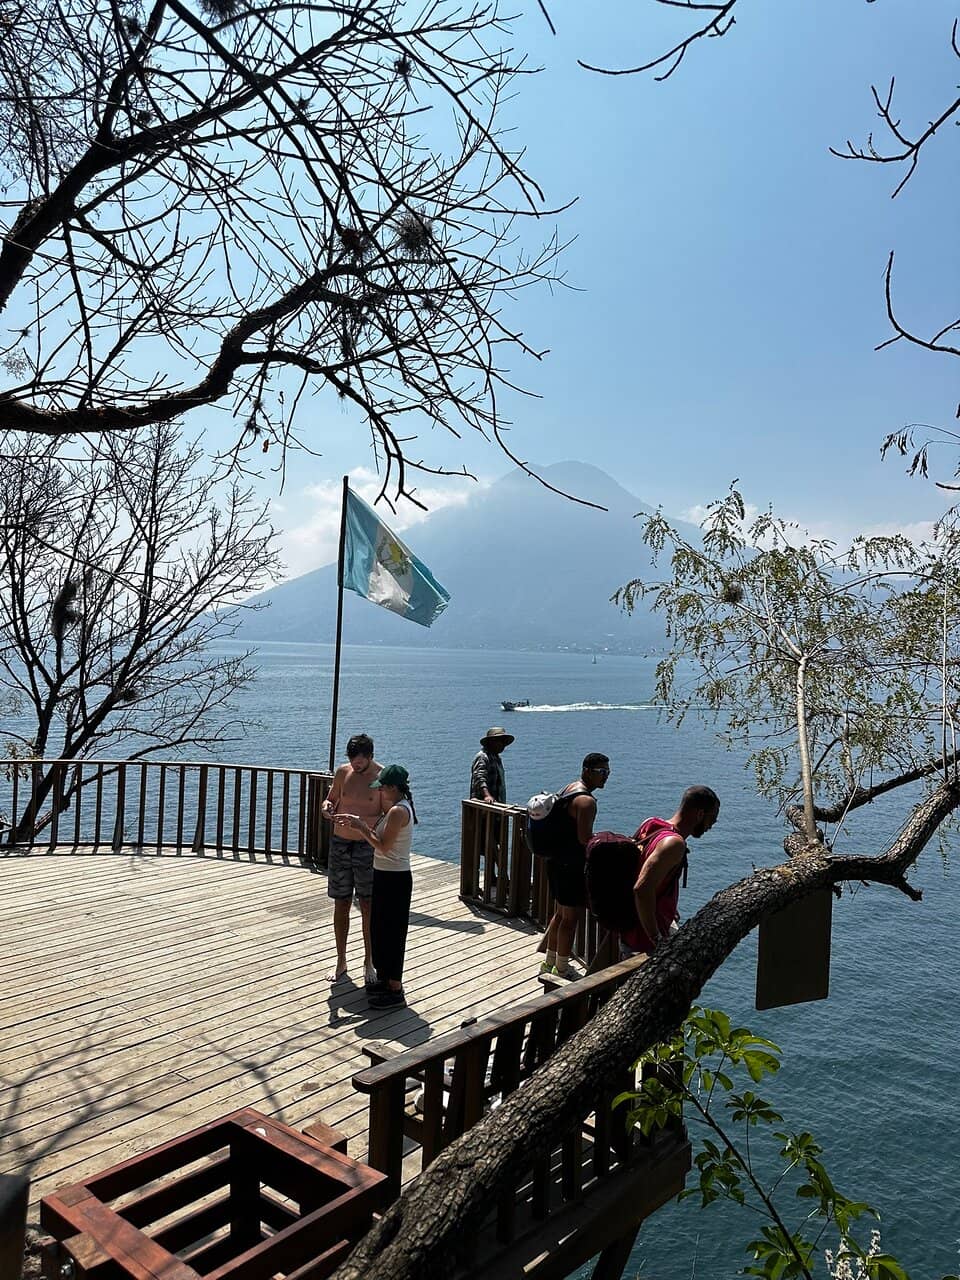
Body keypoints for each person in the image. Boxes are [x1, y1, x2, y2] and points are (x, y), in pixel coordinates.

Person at [335, 764, 417, 1009]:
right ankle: (383, 979)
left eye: (382, 787)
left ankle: (395, 987)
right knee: (380, 929)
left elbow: (383, 846)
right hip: (384, 875)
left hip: (396, 879)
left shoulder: (398, 812)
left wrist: (361, 828)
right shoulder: (394, 809)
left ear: (393, 787)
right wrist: (361, 824)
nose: (379, 791)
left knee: (393, 933)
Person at [623, 785, 720, 955]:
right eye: (712, 818)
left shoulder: (651, 824)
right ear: (699, 814)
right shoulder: (674, 844)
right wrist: (656, 939)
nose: (711, 825)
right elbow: (642, 889)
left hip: (629, 926)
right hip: (643, 942)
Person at [540, 752, 610, 979]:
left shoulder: (570, 788)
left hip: (555, 861)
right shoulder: (586, 801)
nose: (605, 777)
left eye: (608, 772)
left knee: (560, 915)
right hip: (571, 866)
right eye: (601, 772)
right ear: (587, 770)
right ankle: (561, 969)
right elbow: (584, 839)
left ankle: (550, 962)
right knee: (571, 918)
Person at [322, 733, 384, 984]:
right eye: (352, 760)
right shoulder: (342, 772)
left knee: (368, 905)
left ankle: (369, 962)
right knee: (341, 903)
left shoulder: (382, 776)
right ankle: (341, 959)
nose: (356, 765)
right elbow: (331, 799)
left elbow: (388, 814)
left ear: (370, 757)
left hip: (366, 846)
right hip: (340, 843)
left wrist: (362, 825)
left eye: (360, 761)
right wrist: (326, 807)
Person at [470, 727, 513, 804]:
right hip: (483, 806)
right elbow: (479, 778)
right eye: (499, 741)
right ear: (491, 742)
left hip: (496, 803)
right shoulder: (482, 757)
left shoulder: (497, 758)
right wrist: (487, 795)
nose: (502, 745)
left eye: (504, 742)